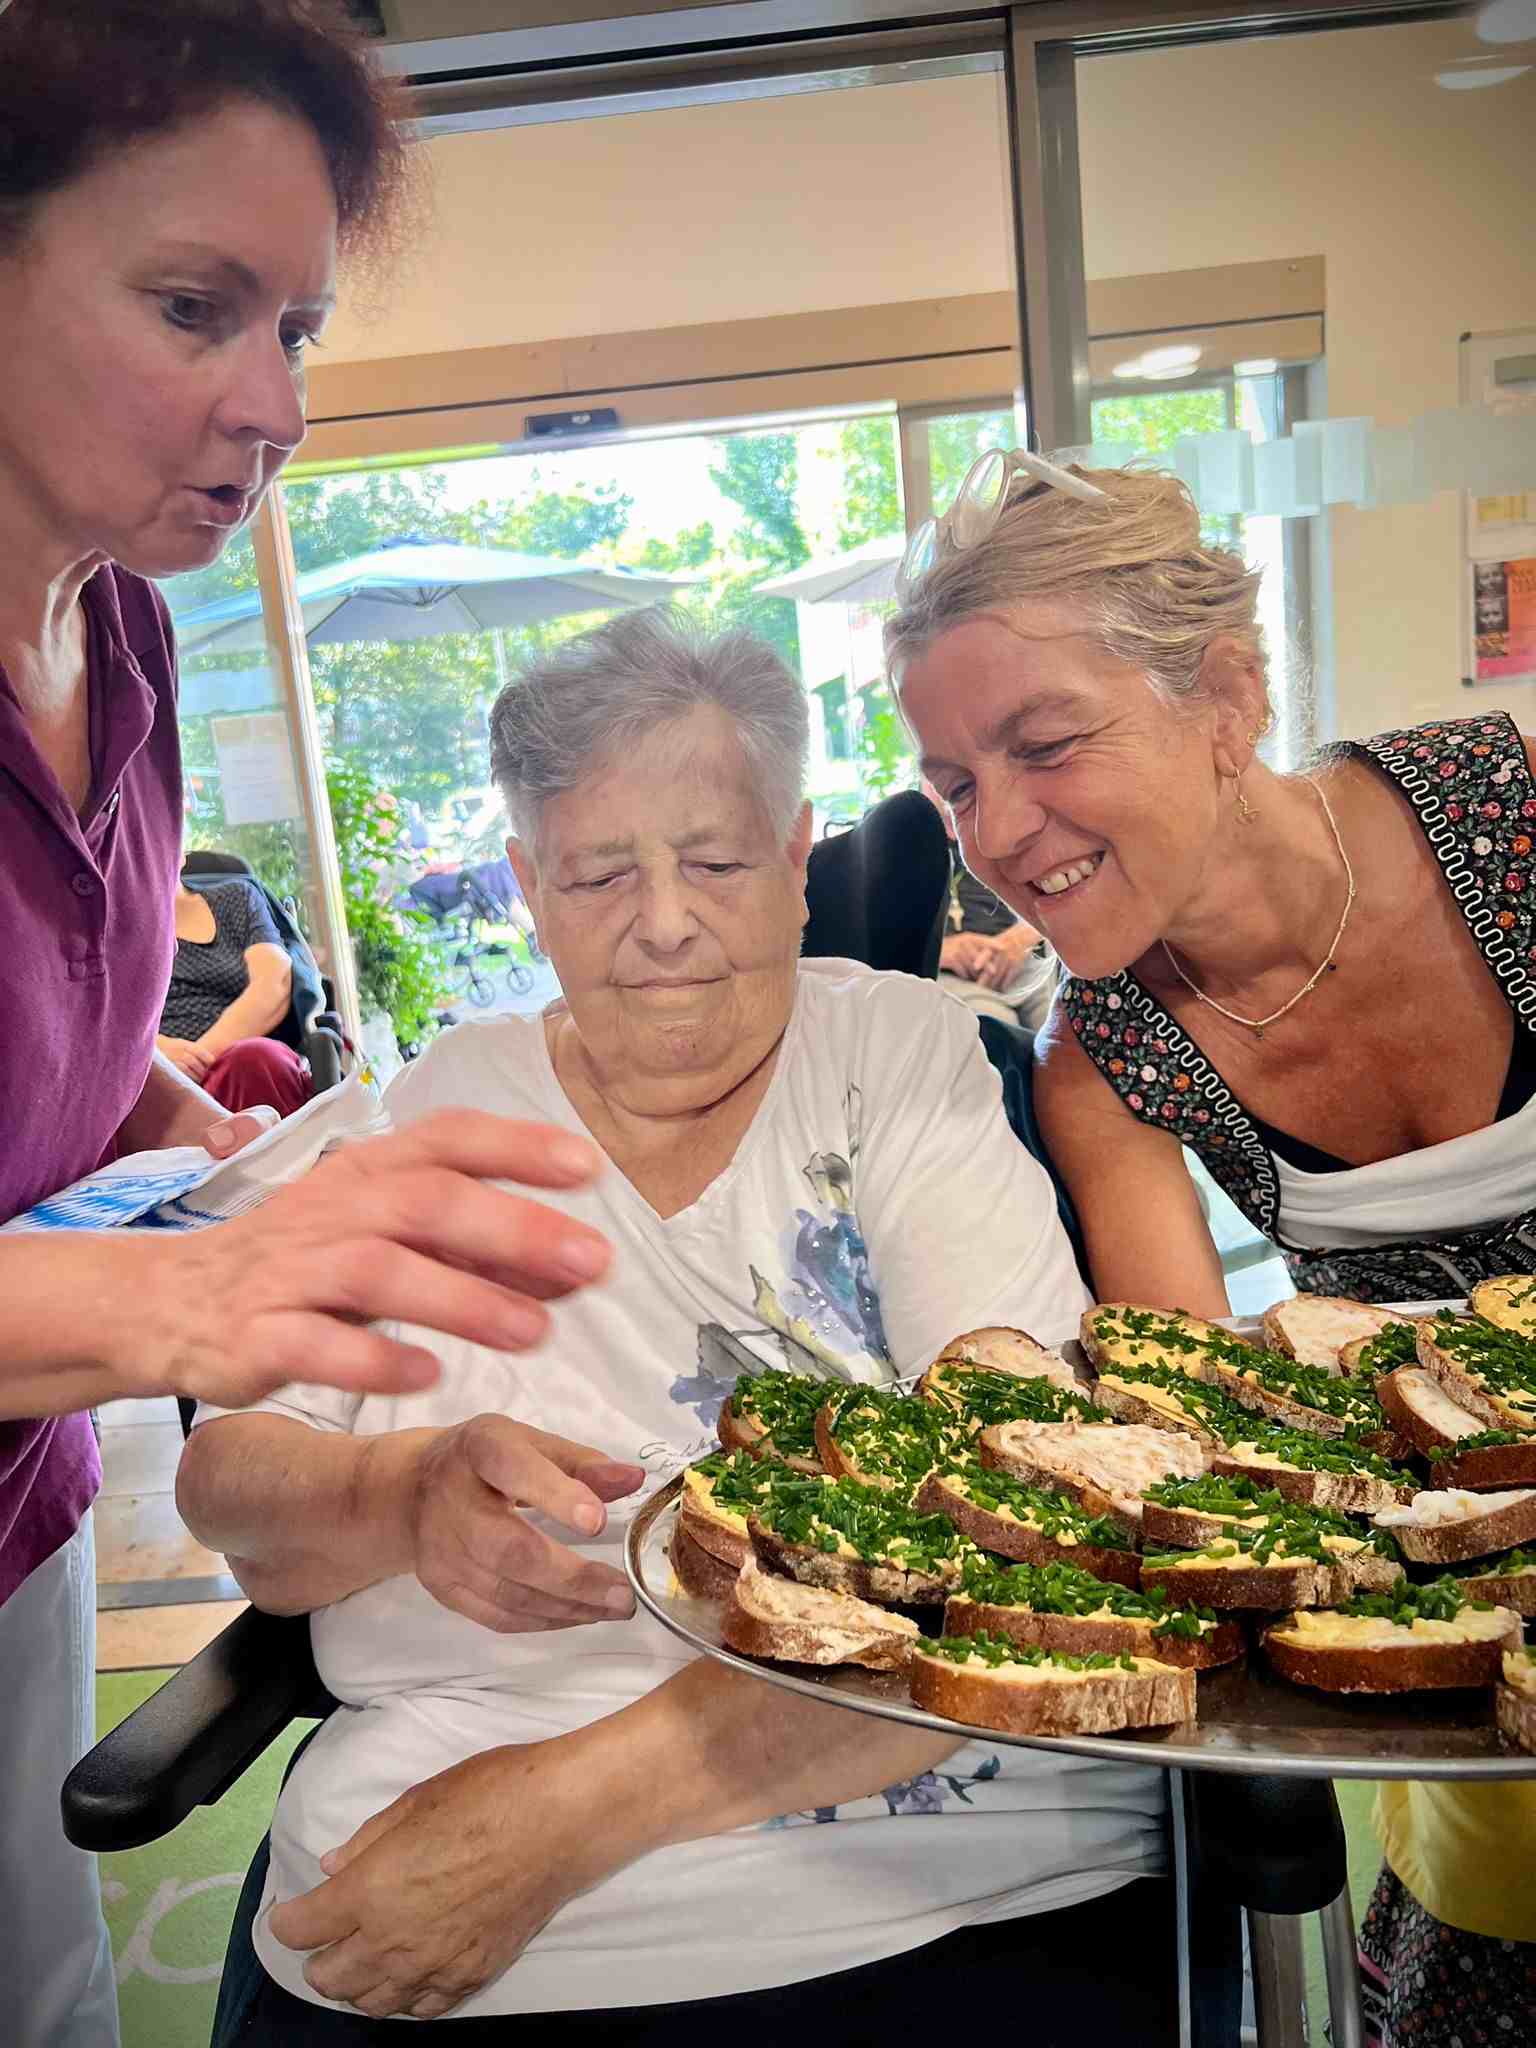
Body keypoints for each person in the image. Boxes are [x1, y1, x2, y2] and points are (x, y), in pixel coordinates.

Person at [178, 609, 1177, 2044]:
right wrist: (398, 1497)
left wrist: (576, 1809)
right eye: (597, 874)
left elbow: (1037, 1523)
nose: (663, 922)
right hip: (415, 1883)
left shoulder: (902, 1067)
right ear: (527, 885)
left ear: (792, 860)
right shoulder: (429, 1118)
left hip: (942, 1858)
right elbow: (237, 1493)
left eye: (714, 861)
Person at [0, 9, 632, 2042]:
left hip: (18, 1503)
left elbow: (69, 1054)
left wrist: (236, 1136)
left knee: (44, 1981)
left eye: (300, 333)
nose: (274, 404)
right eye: (197, 309)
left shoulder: (121, 631)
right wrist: (196, 1303)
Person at [887, 446, 1536, 2047]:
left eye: (1046, 746)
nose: (1002, 831)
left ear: (1228, 692)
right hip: (1479, 1619)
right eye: (956, 786)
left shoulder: (1511, 822)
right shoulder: (1107, 1055)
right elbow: (1209, 1444)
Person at [159, 873, 312, 1115]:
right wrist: (155, 1056)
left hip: (243, 1069)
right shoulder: (103, 937)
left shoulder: (236, 897)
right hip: (154, 1086)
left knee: (258, 1061)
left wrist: (193, 1064)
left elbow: (274, 984)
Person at [923, 777, 1055, 1031]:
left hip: (1018, 957)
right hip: (948, 972)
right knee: (998, 1025)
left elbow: (1057, 899)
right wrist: (941, 951)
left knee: (1058, 1020)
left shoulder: (999, 833)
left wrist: (1014, 942)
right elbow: (878, 940)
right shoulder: (900, 843)